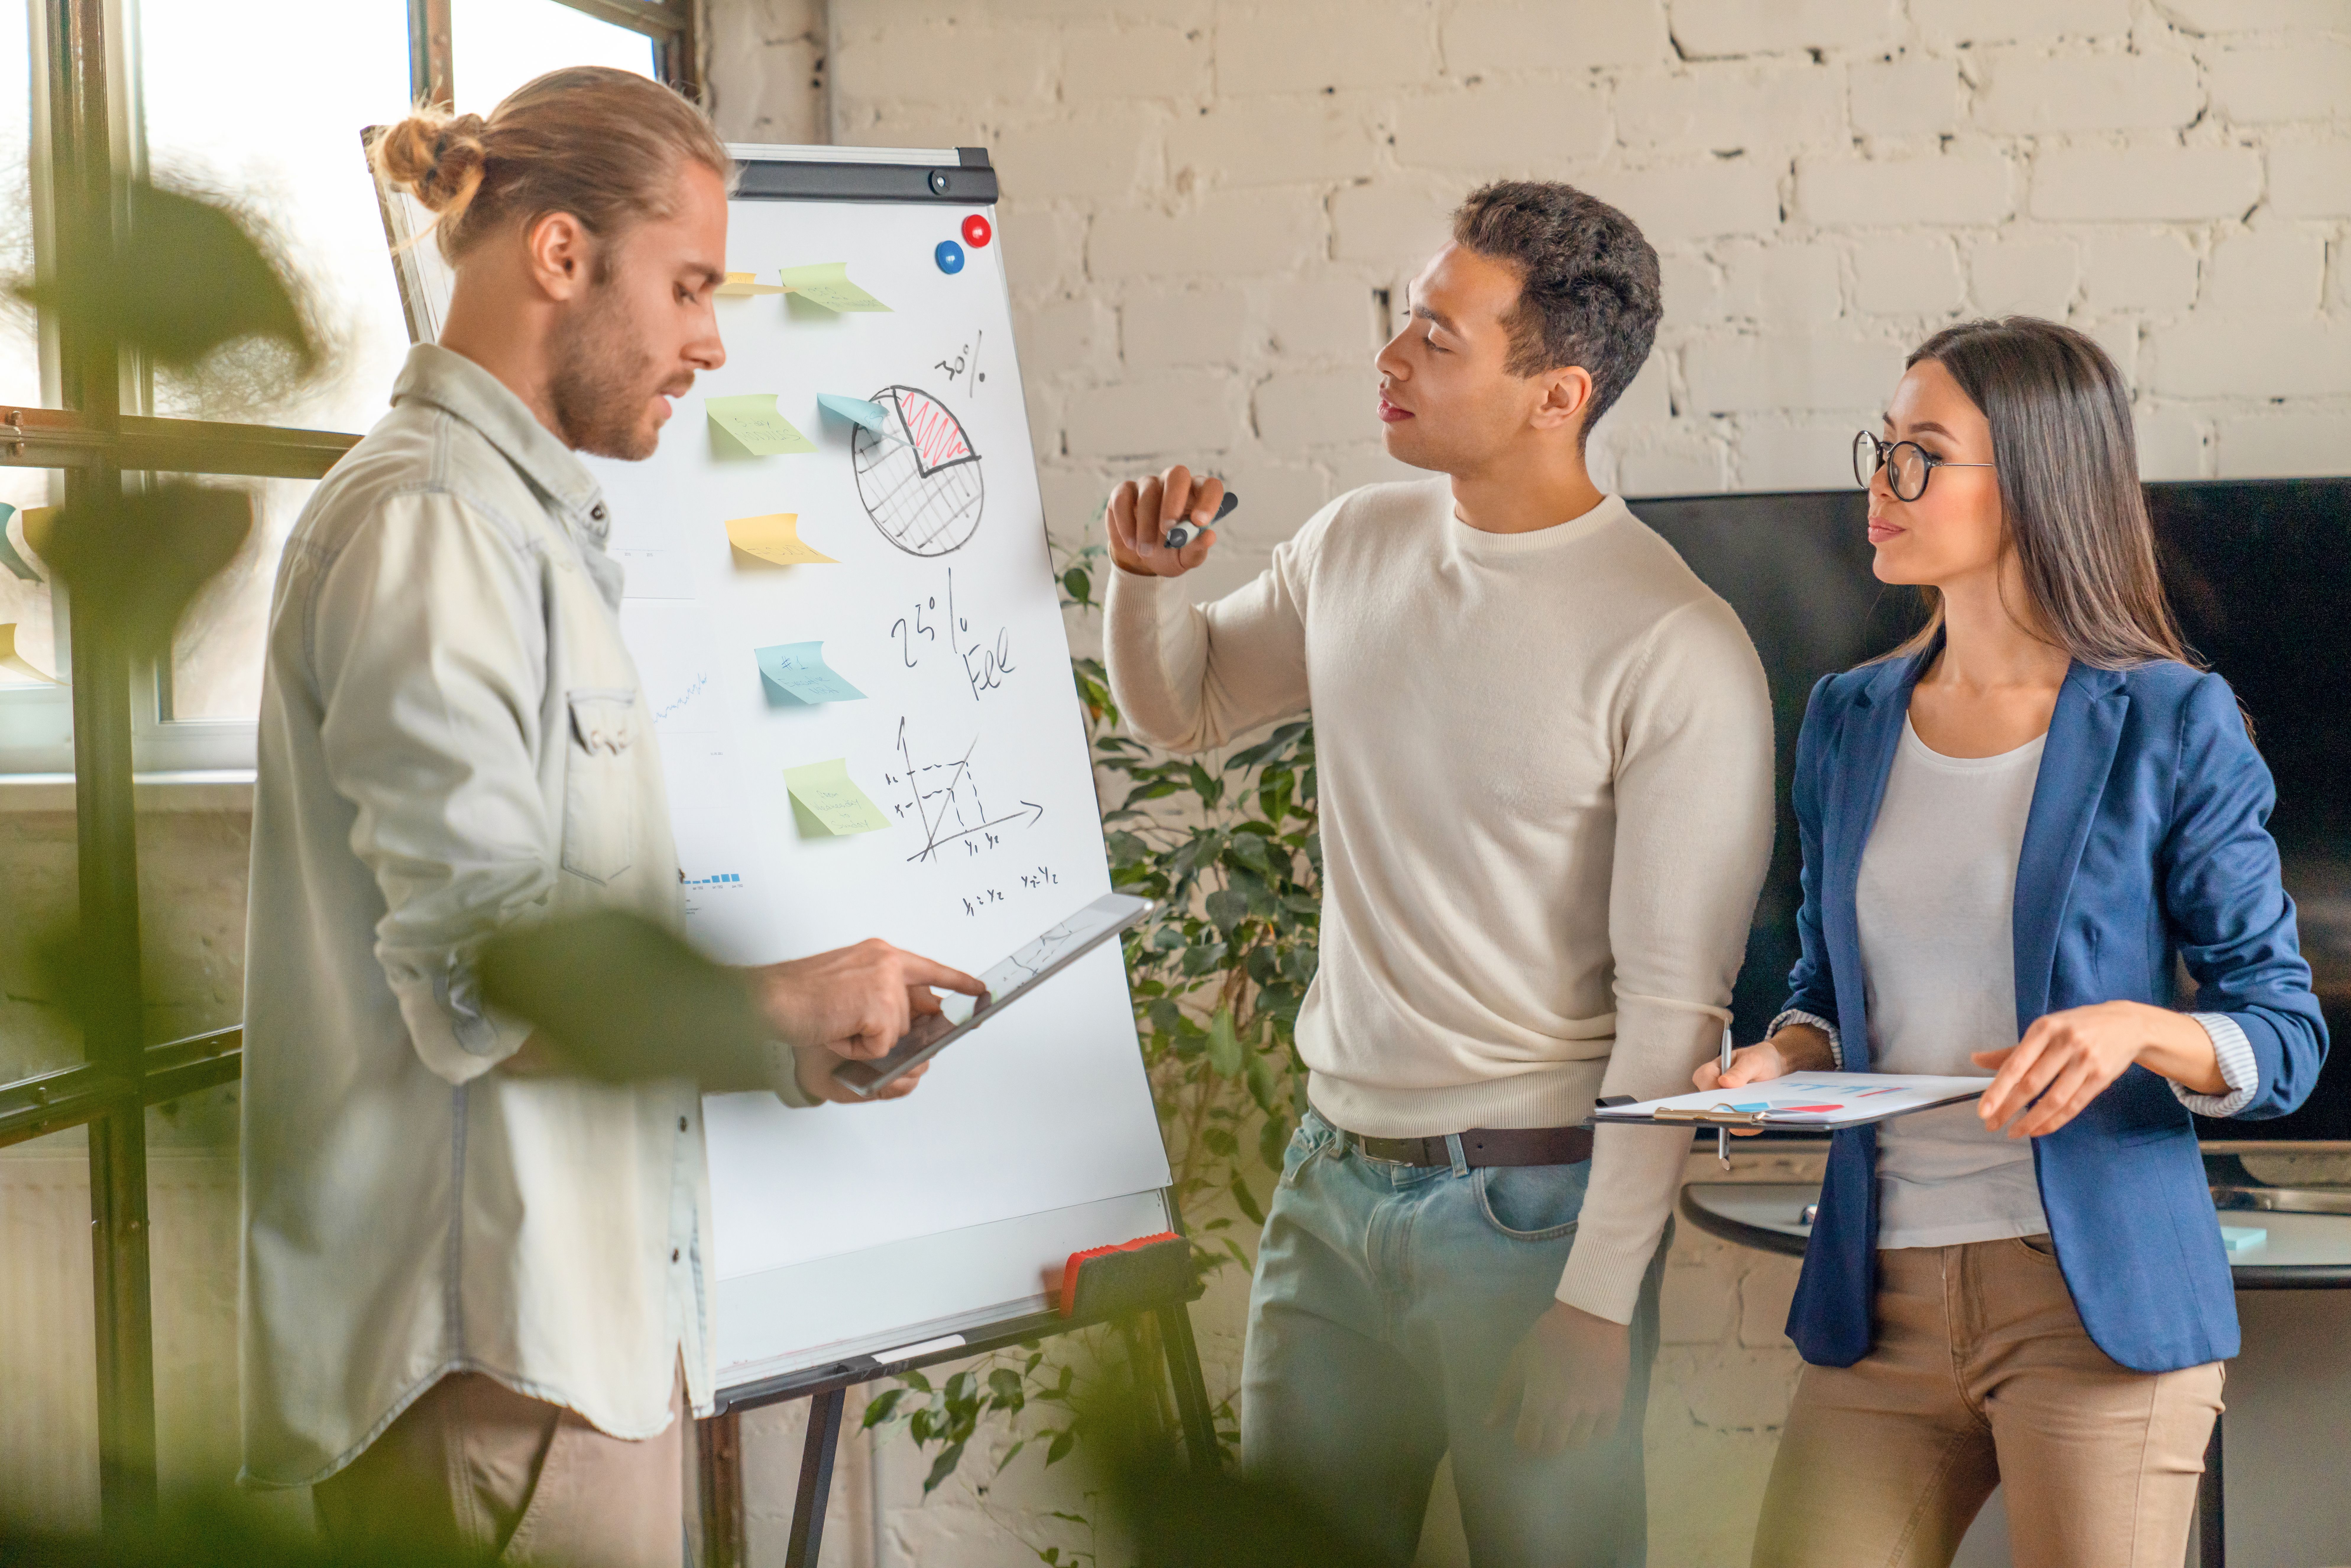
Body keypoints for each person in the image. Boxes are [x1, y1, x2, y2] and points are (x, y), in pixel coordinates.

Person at [240, 69, 981, 1564]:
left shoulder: (520, 530)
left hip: (565, 1358)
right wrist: (787, 990)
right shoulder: (434, 529)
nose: (712, 341)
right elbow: (480, 969)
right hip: (491, 1373)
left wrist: (782, 1036)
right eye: (691, 286)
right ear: (560, 256)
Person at [1103, 182, 1776, 1566]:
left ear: (1555, 393)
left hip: (1527, 1222)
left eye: (1437, 336)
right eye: (1403, 320)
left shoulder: (1672, 644)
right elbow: (1184, 712)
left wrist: (1597, 1300)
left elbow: (1672, 1012)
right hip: (1328, 1188)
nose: (1391, 360)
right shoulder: (1355, 544)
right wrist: (1144, 583)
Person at [1699, 318, 2327, 1568]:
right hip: (1876, 1299)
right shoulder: (1847, 717)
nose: (1880, 485)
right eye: (1881, 449)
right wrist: (1784, 1050)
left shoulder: (2166, 717)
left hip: (2091, 1310)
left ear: (2037, 480)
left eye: (1921, 455)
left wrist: (2136, 1030)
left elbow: (2282, 1033)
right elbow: (1827, 985)